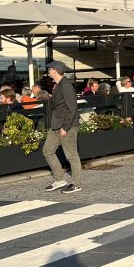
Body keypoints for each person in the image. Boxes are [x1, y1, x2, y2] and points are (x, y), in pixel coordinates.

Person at [42, 61, 82, 193]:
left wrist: (65, 127)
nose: (48, 71)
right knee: (47, 151)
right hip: (56, 124)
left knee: (71, 156)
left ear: (55, 70)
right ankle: (59, 180)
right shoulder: (58, 85)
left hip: (67, 126)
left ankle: (76, 183)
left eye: (49, 69)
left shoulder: (66, 85)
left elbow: (72, 107)